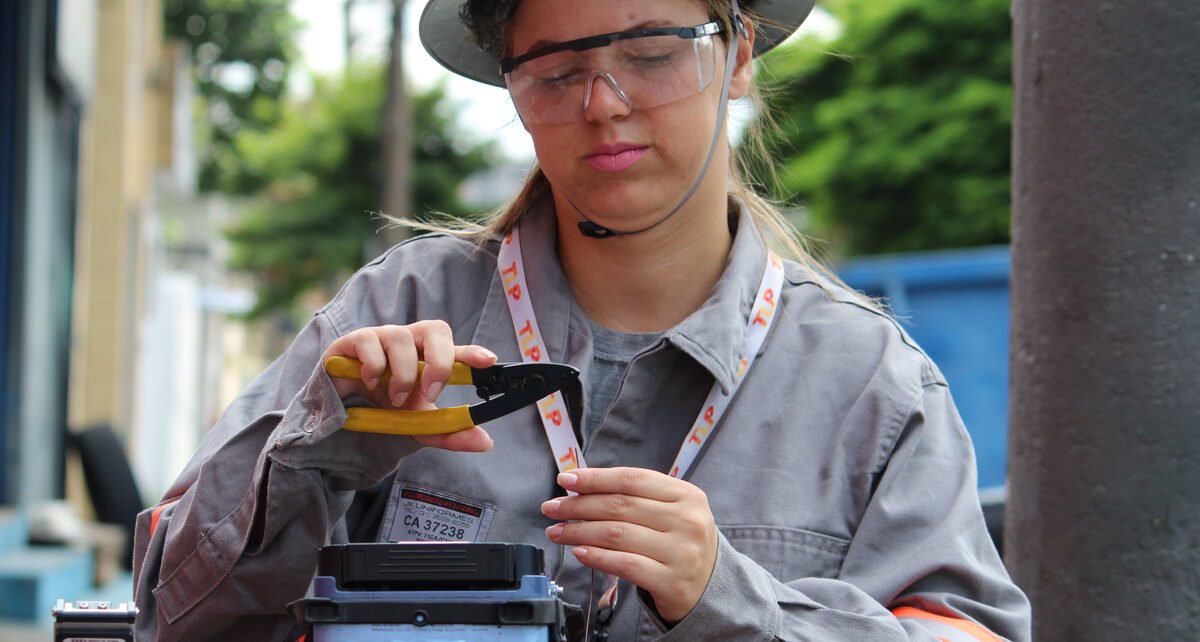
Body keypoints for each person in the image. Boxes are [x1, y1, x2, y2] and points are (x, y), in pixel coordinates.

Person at [132, 0, 1032, 639]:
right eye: (556, 71)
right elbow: (171, 618)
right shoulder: (392, 318)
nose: (603, 104)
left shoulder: (868, 385)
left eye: (650, 52)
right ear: (512, 89)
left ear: (740, 52)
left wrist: (733, 604)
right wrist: (320, 451)